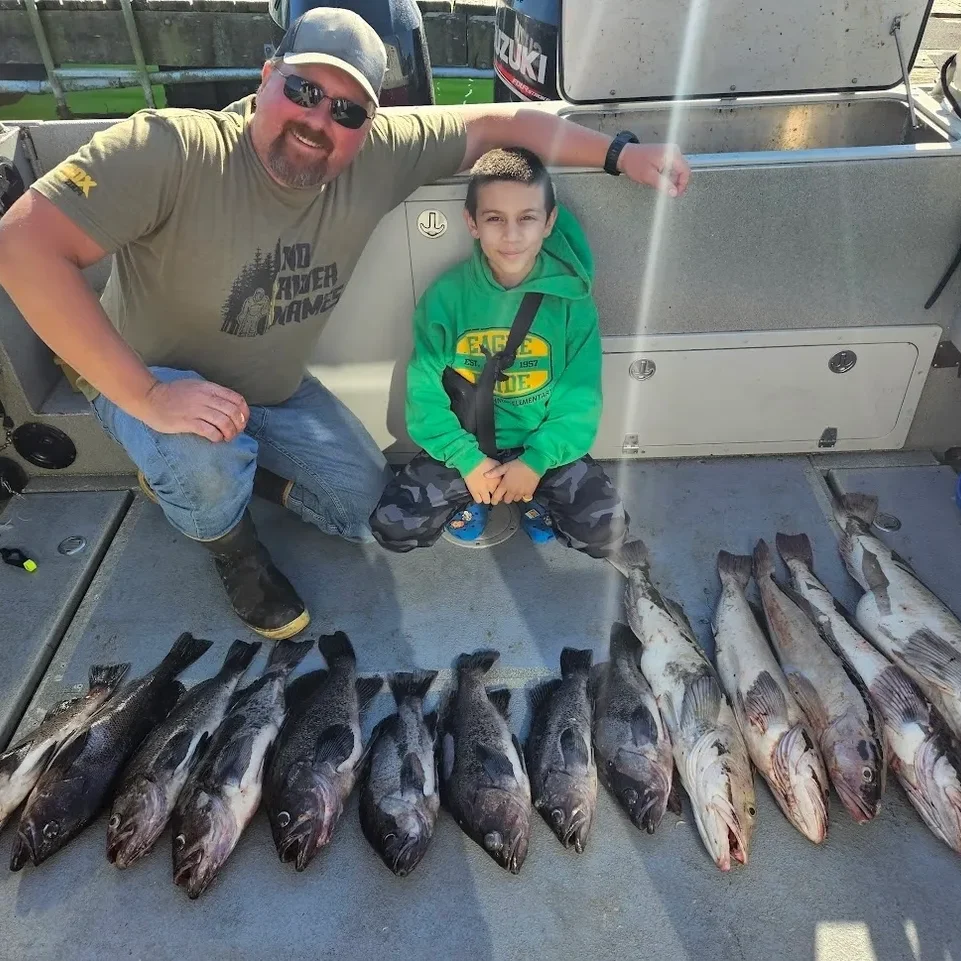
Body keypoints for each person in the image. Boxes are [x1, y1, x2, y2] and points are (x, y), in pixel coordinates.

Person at [0, 8, 689, 641]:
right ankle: (231, 545)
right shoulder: (169, 148)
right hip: (146, 380)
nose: (319, 119)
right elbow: (20, 247)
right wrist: (149, 398)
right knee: (199, 461)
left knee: (369, 515)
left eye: (347, 109)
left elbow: (501, 125)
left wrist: (619, 153)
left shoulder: (380, 151)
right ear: (267, 76)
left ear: (371, 119)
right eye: (301, 91)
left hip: (269, 390)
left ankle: (224, 475)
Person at [370, 146, 627, 557]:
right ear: (472, 223)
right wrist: (467, 461)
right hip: (467, 445)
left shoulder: (572, 303)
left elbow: (580, 397)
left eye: (527, 218)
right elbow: (425, 392)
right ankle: (474, 495)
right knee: (394, 530)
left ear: (549, 222)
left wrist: (537, 461)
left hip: (539, 445)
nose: (511, 235)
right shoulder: (446, 298)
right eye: (495, 219)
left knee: (606, 534)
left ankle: (533, 498)